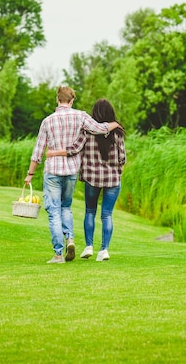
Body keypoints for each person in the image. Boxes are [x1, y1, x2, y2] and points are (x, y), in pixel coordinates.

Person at [25, 87, 120, 264]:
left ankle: (58, 254)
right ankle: (70, 239)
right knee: (66, 207)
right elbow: (99, 129)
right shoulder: (81, 116)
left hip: (53, 171)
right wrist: (114, 124)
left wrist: (30, 174)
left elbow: (38, 151)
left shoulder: (47, 121)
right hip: (71, 171)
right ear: (72, 100)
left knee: (54, 212)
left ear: (57, 99)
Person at [46, 98, 126, 262]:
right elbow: (122, 159)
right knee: (107, 215)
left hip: (91, 178)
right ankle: (104, 250)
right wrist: (117, 173)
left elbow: (74, 149)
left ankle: (89, 246)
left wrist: (53, 153)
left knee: (90, 211)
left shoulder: (87, 132)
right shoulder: (118, 132)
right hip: (113, 180)